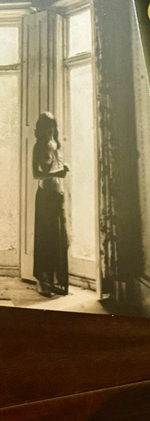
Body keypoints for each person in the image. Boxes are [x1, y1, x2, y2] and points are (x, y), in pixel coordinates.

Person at [32, 111, 70, 297]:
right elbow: (36, 174)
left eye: (52, 126)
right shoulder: (38, 147)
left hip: (57, 195)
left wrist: (63, 168)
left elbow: (56, 167)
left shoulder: (56, 144)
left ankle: (55, 281)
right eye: (46, 127)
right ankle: (42, 282)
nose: (50, 130)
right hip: (45, 197)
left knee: (58, 239)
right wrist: (58, 174)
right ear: (40, 129)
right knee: (45, 239)